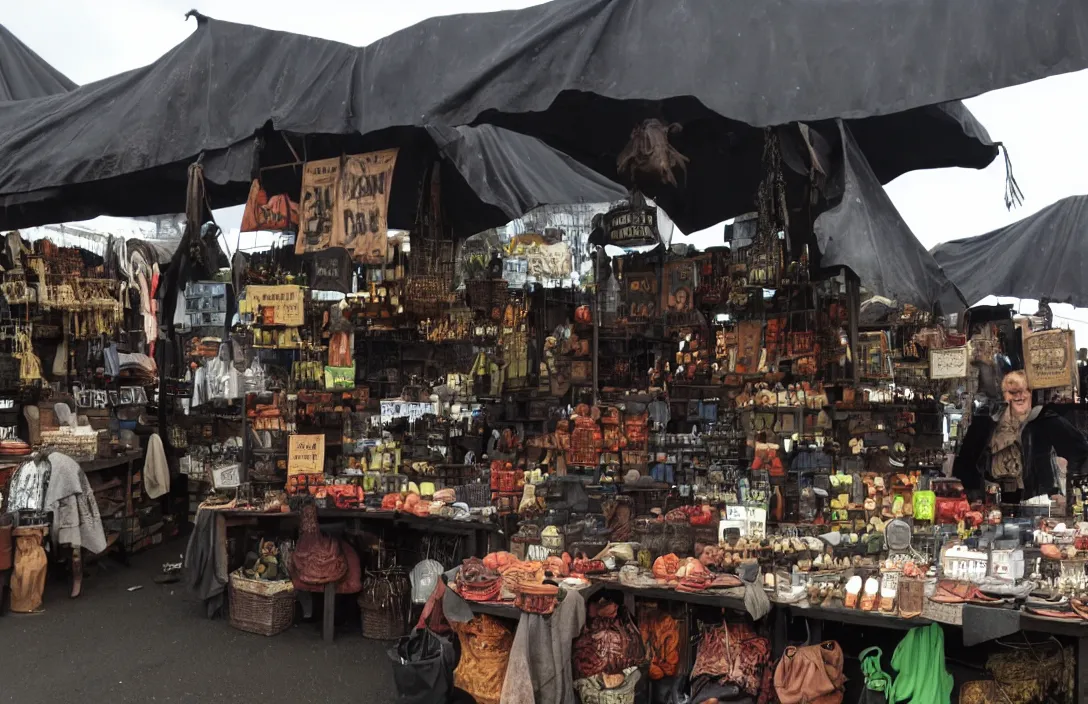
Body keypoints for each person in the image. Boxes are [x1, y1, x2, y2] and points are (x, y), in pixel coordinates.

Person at [954, 370, 1088, 506]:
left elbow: (1081, 451)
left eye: (1024, 390)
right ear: (1005, 395)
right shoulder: (988, 421)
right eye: (1013, 392)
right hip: (991, 499)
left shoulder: (1045, 420)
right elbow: (967, 460)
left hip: (1034, 500)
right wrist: (973, 494)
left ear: (1031, 392)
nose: (1019, 396)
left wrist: (1060, 490)